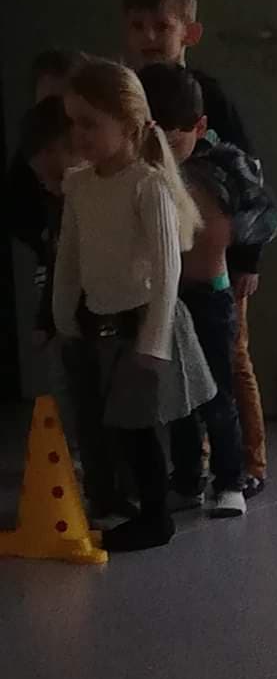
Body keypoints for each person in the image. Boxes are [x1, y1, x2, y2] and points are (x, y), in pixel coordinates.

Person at [52, 59, 215, 553]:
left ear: (127, 125)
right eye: (73, 123)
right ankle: (135, 503)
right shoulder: (79, 185)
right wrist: (63, 311)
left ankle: (157, 517)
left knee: (141, 425)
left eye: (90, 123)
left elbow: (167, 270)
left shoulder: (148, 185)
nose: (78, 135)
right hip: (104, 323)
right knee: (121, 423)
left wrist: (154, 339)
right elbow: (69, 255)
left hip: (145, 323)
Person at [122, 0, 270, 495]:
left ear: (189, 32)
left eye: (161, 26)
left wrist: (247, 257)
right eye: (137, 25)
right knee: (176, 358)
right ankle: (191, 465)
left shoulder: (210, 96)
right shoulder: (126, 94)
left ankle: (249, 464)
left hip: (214, 261)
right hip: (160, 261)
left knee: (230, 357)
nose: (149, 37)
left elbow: (249, 178)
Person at [140, 65, 277, 519]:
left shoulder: (222, 167)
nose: (164, 149)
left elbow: (265, 212)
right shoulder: (141, 173)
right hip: (165, 296)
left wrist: (240, 253)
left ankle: (230, 479)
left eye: (174, 138)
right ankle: (187, 479)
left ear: (199, 128)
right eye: (153, 137)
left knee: (218, 393)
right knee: (177, 396)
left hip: (211, 294)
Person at [5, 98, 79, 348]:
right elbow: (56, 268)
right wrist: (44, 323)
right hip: (73, 331)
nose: (53, 188)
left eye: (59, 176)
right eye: (43, 180)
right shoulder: (57, 210)